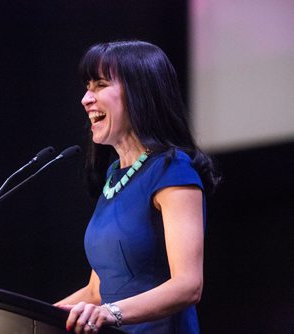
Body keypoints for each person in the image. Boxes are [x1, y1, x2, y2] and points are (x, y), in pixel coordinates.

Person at [54, 40, 220, 333]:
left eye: (100, 85)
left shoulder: (173, 169)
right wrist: (25, 316)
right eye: (87, 86)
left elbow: (188, 285)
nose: (85, 99)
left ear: (140, 93)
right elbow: (96, 291)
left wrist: (109, 313)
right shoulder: (114, 177)